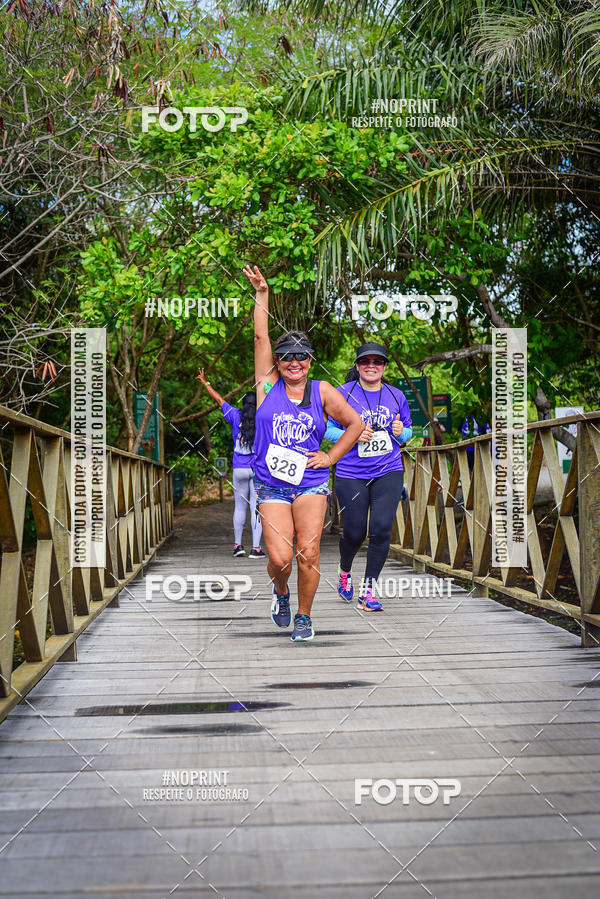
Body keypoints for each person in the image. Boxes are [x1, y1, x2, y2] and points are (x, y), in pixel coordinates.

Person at [242, 264, 364, 641]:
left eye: (302, 357)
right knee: (279, 558)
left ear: (310, 361)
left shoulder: (323, 391)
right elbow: (261, 337)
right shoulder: (267, 387)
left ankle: (304, 616)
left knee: (307, 554)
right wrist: (263, 294)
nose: (294, 363)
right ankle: (281, 593)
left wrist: (330, 457)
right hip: (272, 486)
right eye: (286, 357)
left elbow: (356, 426)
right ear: (278, 362)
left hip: (311, 482)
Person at [325, 343, 413, 611]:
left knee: (382, 529)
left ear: (384, 366)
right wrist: (350, 435)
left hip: (389, 470)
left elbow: (408, 433)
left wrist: (400, 431)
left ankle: (369, 590)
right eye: (365, 361)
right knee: (354, 532)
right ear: (357, 365)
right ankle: (344, 570)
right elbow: (327, 431)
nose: (371, 365)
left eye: (377, 361)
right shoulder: (342, 393)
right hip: (351, 473)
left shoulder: (396, 395)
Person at [196, 370, 265, 558]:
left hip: (239, 469)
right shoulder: (262, 418)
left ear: (243, 404)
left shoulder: (235, 415)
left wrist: (205, 382)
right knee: (256, 508)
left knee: (240, 507)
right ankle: (256, 549)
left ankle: (237, 546)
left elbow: (219, 400)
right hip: (257, 470)